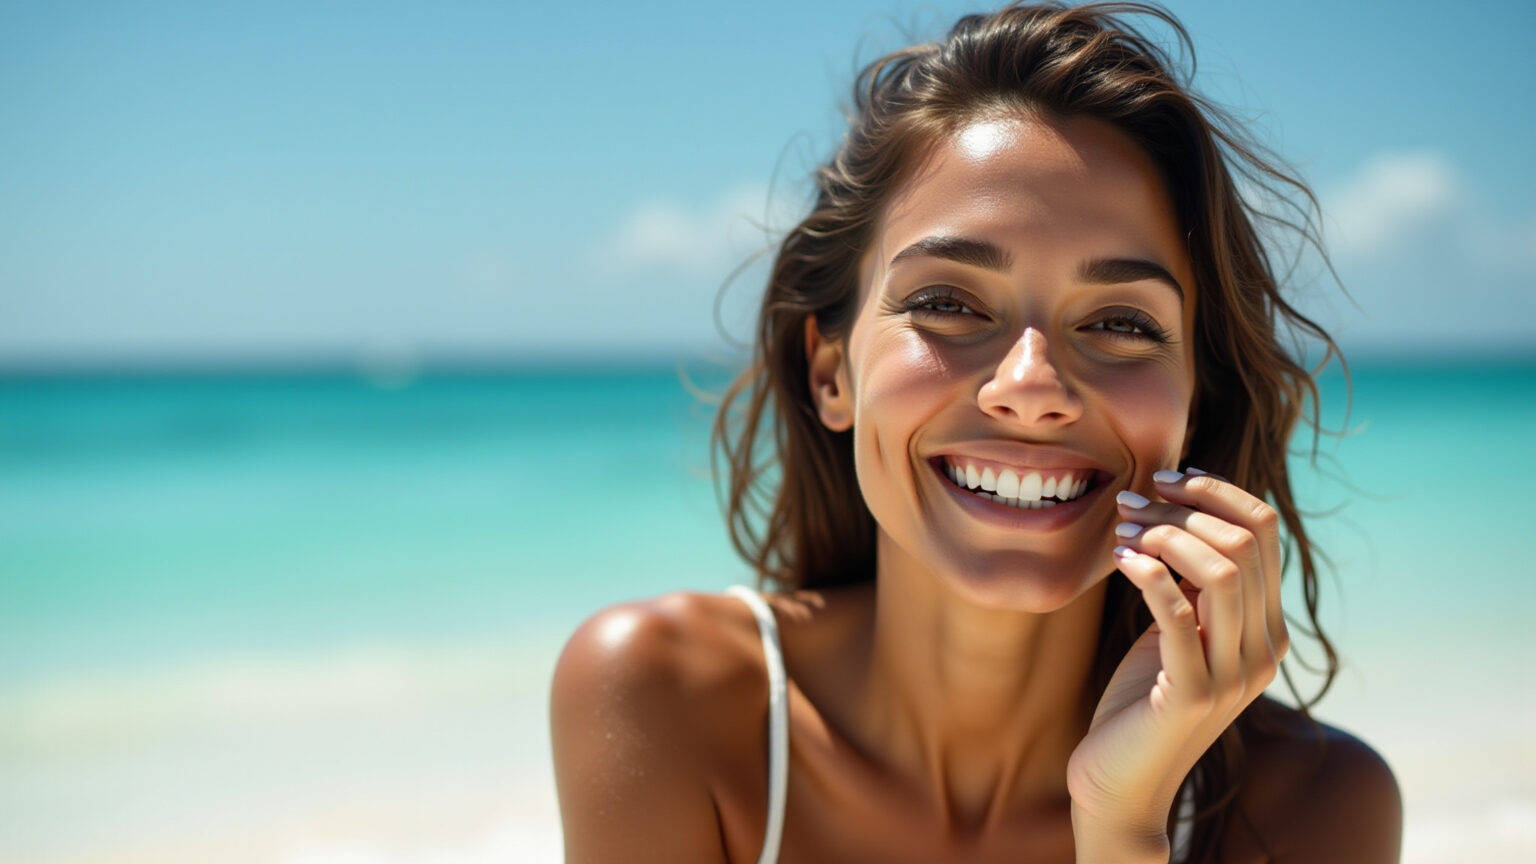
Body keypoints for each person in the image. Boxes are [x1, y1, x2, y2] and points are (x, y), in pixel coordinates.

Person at [551, 3, 1402, 861]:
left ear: (1194, 403)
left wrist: (1120, 823)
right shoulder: (667, 701)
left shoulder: (1316, 809)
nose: (1031, 388)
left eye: (1120, 322)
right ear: (832, 374)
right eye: (948, 304)